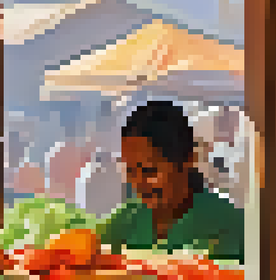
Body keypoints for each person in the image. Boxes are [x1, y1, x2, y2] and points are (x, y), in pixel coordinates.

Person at [97, 100, 245, 262]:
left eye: (149, 171)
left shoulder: (229, 225)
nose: (137, 183)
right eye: (130, 171)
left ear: (188, 160)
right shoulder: (124, 222)